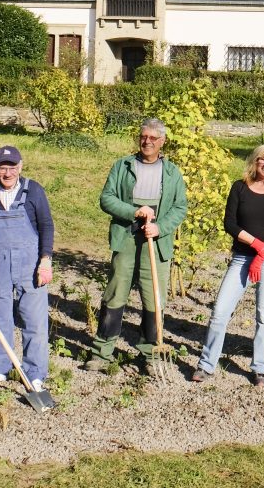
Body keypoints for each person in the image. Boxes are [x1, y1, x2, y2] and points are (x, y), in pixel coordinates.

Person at [86, 118, 188, 371]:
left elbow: (180, 208)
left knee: (154, 298)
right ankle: (102, 352)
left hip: (156, 241)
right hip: (127, 237)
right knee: (114, 294)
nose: (147, 142)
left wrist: (160, 227)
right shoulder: (122, 166)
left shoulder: (172, 172)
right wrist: (133, 211)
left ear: (162, 141)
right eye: (144, 137)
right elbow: (106, 199)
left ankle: (151, 355)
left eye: (154, 138)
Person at [192, 144, 264, 387]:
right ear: (254, 161)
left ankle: (260, 369)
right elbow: (230, 224)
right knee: (219, 312)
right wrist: (257, 245)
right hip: (242, 257)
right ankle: (206, 365)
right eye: (262, 159)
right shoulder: (240, 187)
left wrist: (263, 253)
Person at [0, 146, 56, 391]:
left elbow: (47, 225)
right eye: (3, 167)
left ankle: (35, 372)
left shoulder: (34, 190)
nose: (8, 173)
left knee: (34, 320)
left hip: (31, 265)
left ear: (21, 166)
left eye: (12, 167)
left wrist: (46, 259)